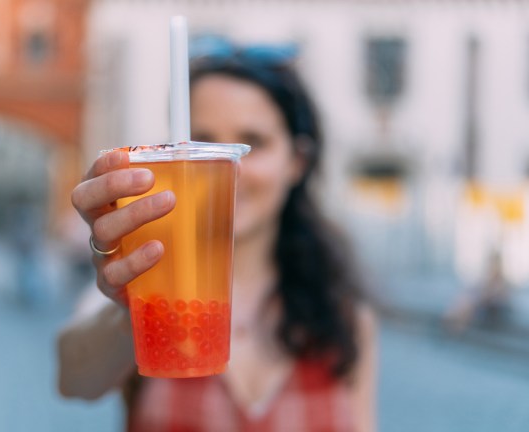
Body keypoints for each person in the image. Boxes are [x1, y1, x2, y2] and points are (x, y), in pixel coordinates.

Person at [58, 39, 377, 431]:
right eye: (204, 142)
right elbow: (73, 379)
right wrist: (131, 313)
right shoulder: (145, 277)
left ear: (297, 161)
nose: (227, 171)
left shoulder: (342, 317)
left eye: (252, 143)